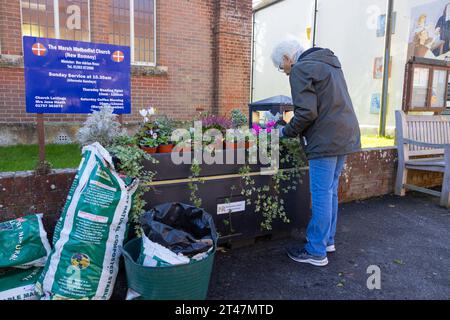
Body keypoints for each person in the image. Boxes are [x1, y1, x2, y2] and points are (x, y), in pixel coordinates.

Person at [271, 40, 361, 267]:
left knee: (321, 193)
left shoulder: (301, 69)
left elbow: (306, 113)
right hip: (345, 134)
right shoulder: (328, 63)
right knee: (330, 191)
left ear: (286, 59)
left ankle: (315, 251)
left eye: (282, 68)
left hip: (325, 139)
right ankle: (327, 241)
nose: (285, 72)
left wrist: (285, 131)